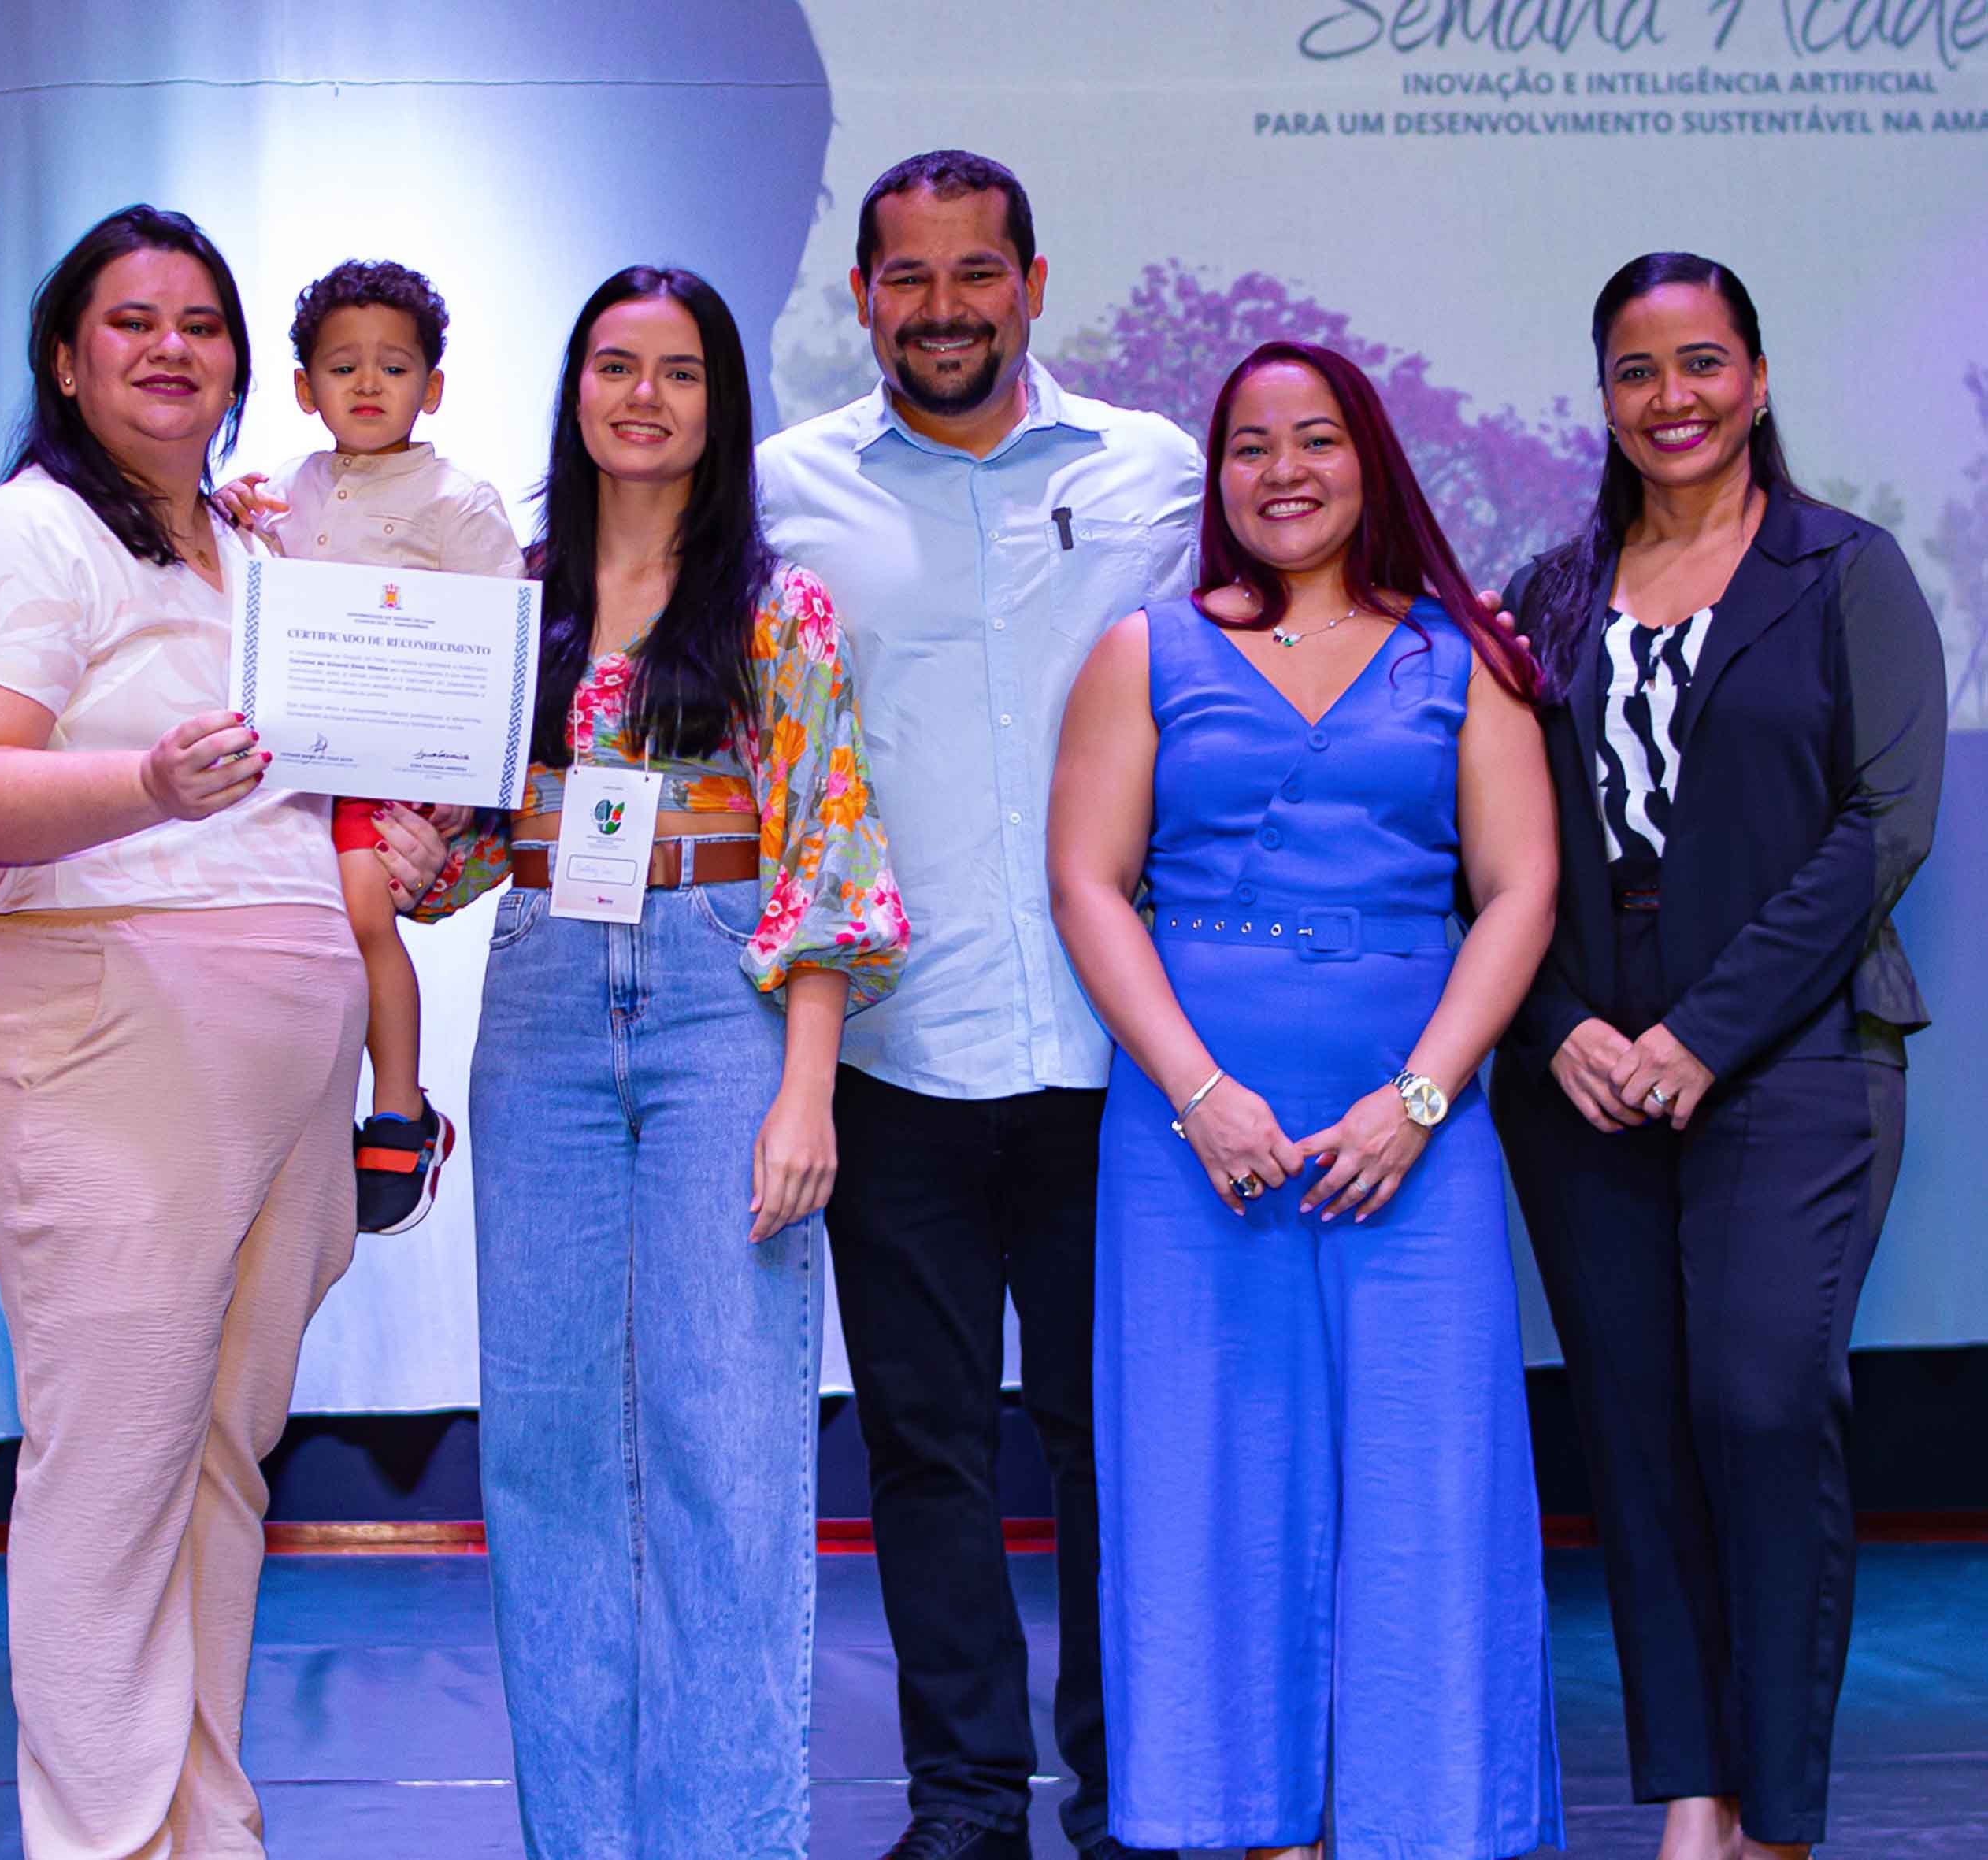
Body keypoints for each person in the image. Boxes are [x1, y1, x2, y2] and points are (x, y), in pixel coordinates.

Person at [0, 205, 452, 1860]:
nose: (168, 349)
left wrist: (405, 827)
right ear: (64, 359)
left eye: (199, 324)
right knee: (117, 1458)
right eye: (130, 321)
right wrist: (145, 782)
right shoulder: (16, 536)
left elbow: (320, 774)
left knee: (218, 1457)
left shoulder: (258, 544)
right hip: (105, 1031)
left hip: (282, 1050)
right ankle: (103, 1837)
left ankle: (201, 1824)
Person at [406, 263, 905, 1859]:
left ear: (718, 402)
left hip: (719, 1008)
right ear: (575, 390)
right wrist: (396, 834)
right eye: (614, 365)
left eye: (677, 370)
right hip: (542, 1003)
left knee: (725, 1451)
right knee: (546, 1452)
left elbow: (826, 847)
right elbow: (467, 843)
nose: (643, 396)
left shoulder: (773, 606)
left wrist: (805, 1087)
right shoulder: (517, 599)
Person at [1049, 340, 1565, 1859]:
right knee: (1208, 1478)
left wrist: (1418, 1100)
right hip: (1192, 1142)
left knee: (1429, 1478)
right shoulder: (1142, 650)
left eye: (1316, 438)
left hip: (1416, 1134)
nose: (1283, 470)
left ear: (1368, 458)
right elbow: (1086, 883)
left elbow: (1520, 889)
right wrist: (1199, 1092)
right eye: (1249, 444)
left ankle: (1428, 1825)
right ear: (1214, 476)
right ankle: (1251, 1827)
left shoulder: (1460, 654)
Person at [755, 149, 1197, 1860]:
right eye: (908, 278)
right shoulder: (783, 490)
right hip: (891, 1053)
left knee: (1114, 1449)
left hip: (1116, 1054)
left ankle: (1132, 1788)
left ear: (1030, 283)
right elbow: (596, 567)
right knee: (923, 1450)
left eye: (974, 273)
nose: (942, 308)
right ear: (860, 295)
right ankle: (962, 1798)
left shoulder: (1153, 473)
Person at [1497, 253, 1947, 1860]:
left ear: (1753, 378)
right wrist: (1554, 1023)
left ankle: (1780, 1813)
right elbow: (1494, 841)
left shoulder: (1842, 569)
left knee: (1759, 1400)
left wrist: (1703, 1030)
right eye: (1635, 369)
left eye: (1700, 362)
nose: (1669, 397)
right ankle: (1693, 1796)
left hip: (1795, 1049)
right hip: (1580, 1066)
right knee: (1633, 1432)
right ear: (1601, 395)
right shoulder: (1547, 594)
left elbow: (1882, 824)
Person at [250, 257, 525, 1231]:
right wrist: (234, 516)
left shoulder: (458, 501)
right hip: (287, 766)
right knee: (285, 923)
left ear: (432, 386)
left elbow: (499, 652)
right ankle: (305, 1111)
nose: (368, 384)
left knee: (364, 907)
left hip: (390, 764)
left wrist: (465, 787)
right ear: (304, 388)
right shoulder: (277, 490)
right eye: (343, 367)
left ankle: (402, 1109)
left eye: (395, 367)